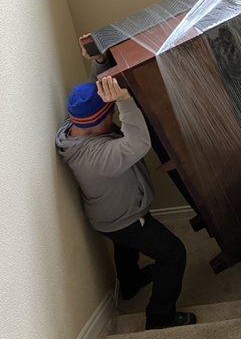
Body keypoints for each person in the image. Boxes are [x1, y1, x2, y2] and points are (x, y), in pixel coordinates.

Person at [56, 40, 195, 330]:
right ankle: (160, 318)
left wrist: (100, 61)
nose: (115, 117)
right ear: (98, 121)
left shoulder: (77, 127)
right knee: (174, 254)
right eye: (110, 113)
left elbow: (94, 92)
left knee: (125, 248)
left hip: (110, 215)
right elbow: (138, 142)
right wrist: (125, 102)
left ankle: (130, 283)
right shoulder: (95, 157)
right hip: (125, 218)